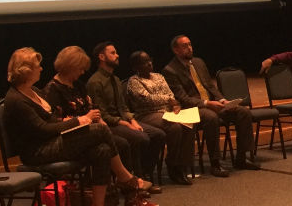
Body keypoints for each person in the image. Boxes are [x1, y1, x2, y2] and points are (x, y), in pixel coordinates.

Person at [2, 47, 153, 206]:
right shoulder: (16, 100)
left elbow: (52, 121)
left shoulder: (33, 91)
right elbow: (43, 129)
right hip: (37, 151)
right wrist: (77, 121)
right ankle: (124, 177)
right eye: (37, 66)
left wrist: (70, 122)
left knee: (102, 150)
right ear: (26, 71)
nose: (41, 69)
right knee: (100, 130)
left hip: (50, 142)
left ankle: (99, 204)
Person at [161, 35, 260, 177]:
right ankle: (215, 163)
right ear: (175, 50)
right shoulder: (170, 70)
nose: (189, 48)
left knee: (243, 112)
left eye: (190, 44)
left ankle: (241, 158)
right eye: (185, 46)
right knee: (211, 117)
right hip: (193, 109)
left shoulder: (198, 62)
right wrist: (207, 104)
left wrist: (223, 100)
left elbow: (210, 86)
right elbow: (183, 99)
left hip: (213, 103)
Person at [87, 42, 165, 192]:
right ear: (102, 57)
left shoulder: (116, 79)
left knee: (158, 135)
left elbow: (123, 107)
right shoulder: (95, 82)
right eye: (113, 53)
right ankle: (136, 180)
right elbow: (102, 114)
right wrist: (126, 124)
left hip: (123, 120)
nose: (117, 56)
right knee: (140, 138)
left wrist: (133, 121)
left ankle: (145, 174)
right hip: (110, 124)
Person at [43, 45, 133, 169]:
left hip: (89, 131)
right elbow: (55, 123)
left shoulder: (78, 85)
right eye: (80, 68)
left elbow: (91, 107)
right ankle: (125, 176)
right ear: (70, 66)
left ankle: (123, 177)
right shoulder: (52, 90)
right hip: (68, 138)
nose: (82, 72)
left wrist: (99, 120)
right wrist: (87, 118)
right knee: (115, 145)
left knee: (114, 146)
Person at [127, 50, 196, 185]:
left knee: (189, 124)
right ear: (136, 67)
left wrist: (174, 104)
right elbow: (147, 99)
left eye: (150, 60)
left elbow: (170, 94)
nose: (149, 64)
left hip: (167, 112)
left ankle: (182, 165)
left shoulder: (159, 76)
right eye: (144, 62)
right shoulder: (134, 81)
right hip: (147, 114)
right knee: (175, 128)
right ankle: (172, 165)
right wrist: (169, 100)